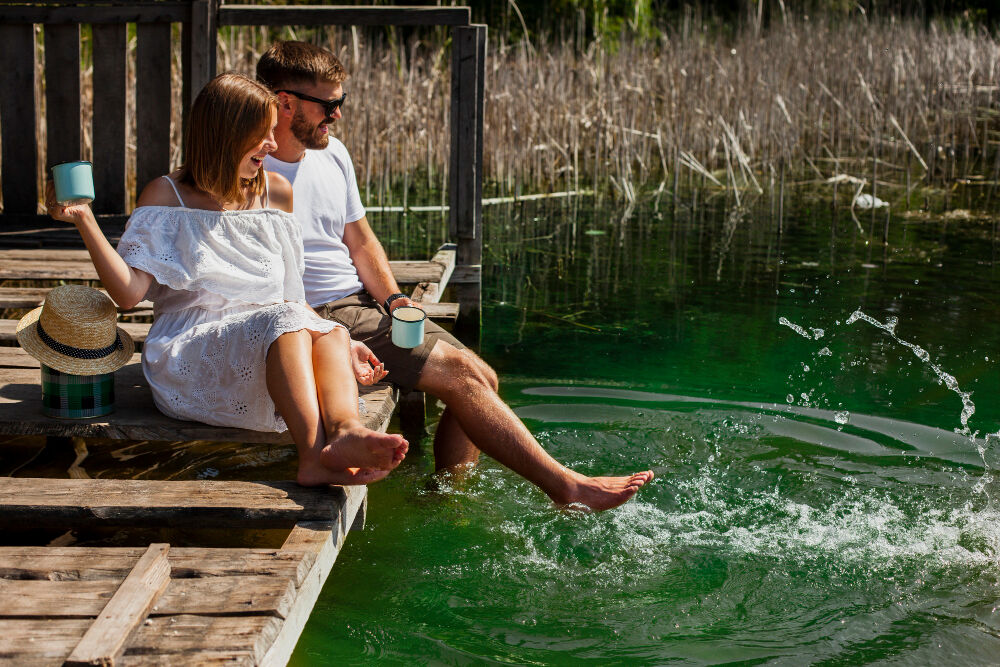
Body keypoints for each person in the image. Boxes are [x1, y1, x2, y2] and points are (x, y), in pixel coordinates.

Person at [257, 42, 653, 511]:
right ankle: (565, 487)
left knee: (483, 375)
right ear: (285, 102)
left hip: (362, 303)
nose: (338, 115)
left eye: (341, 103)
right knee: (465, 376)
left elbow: (360, 242)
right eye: (329, 105)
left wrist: (394, 299)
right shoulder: (250, 169)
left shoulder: (333, 154)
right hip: (316, 317)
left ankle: (446, 500)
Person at [45, 72, 408, 486]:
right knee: (286, 321)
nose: (272, 145)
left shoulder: (277, 192)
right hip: (191, 350)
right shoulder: (167, 196)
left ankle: (345, 432)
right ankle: (312, 459)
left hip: (273, 337)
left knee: (329, 331)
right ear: (226, 135)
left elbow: (290, 295)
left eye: (273, 131)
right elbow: (128, 294)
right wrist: (84, 220)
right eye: (262, 134)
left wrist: (336, 338)